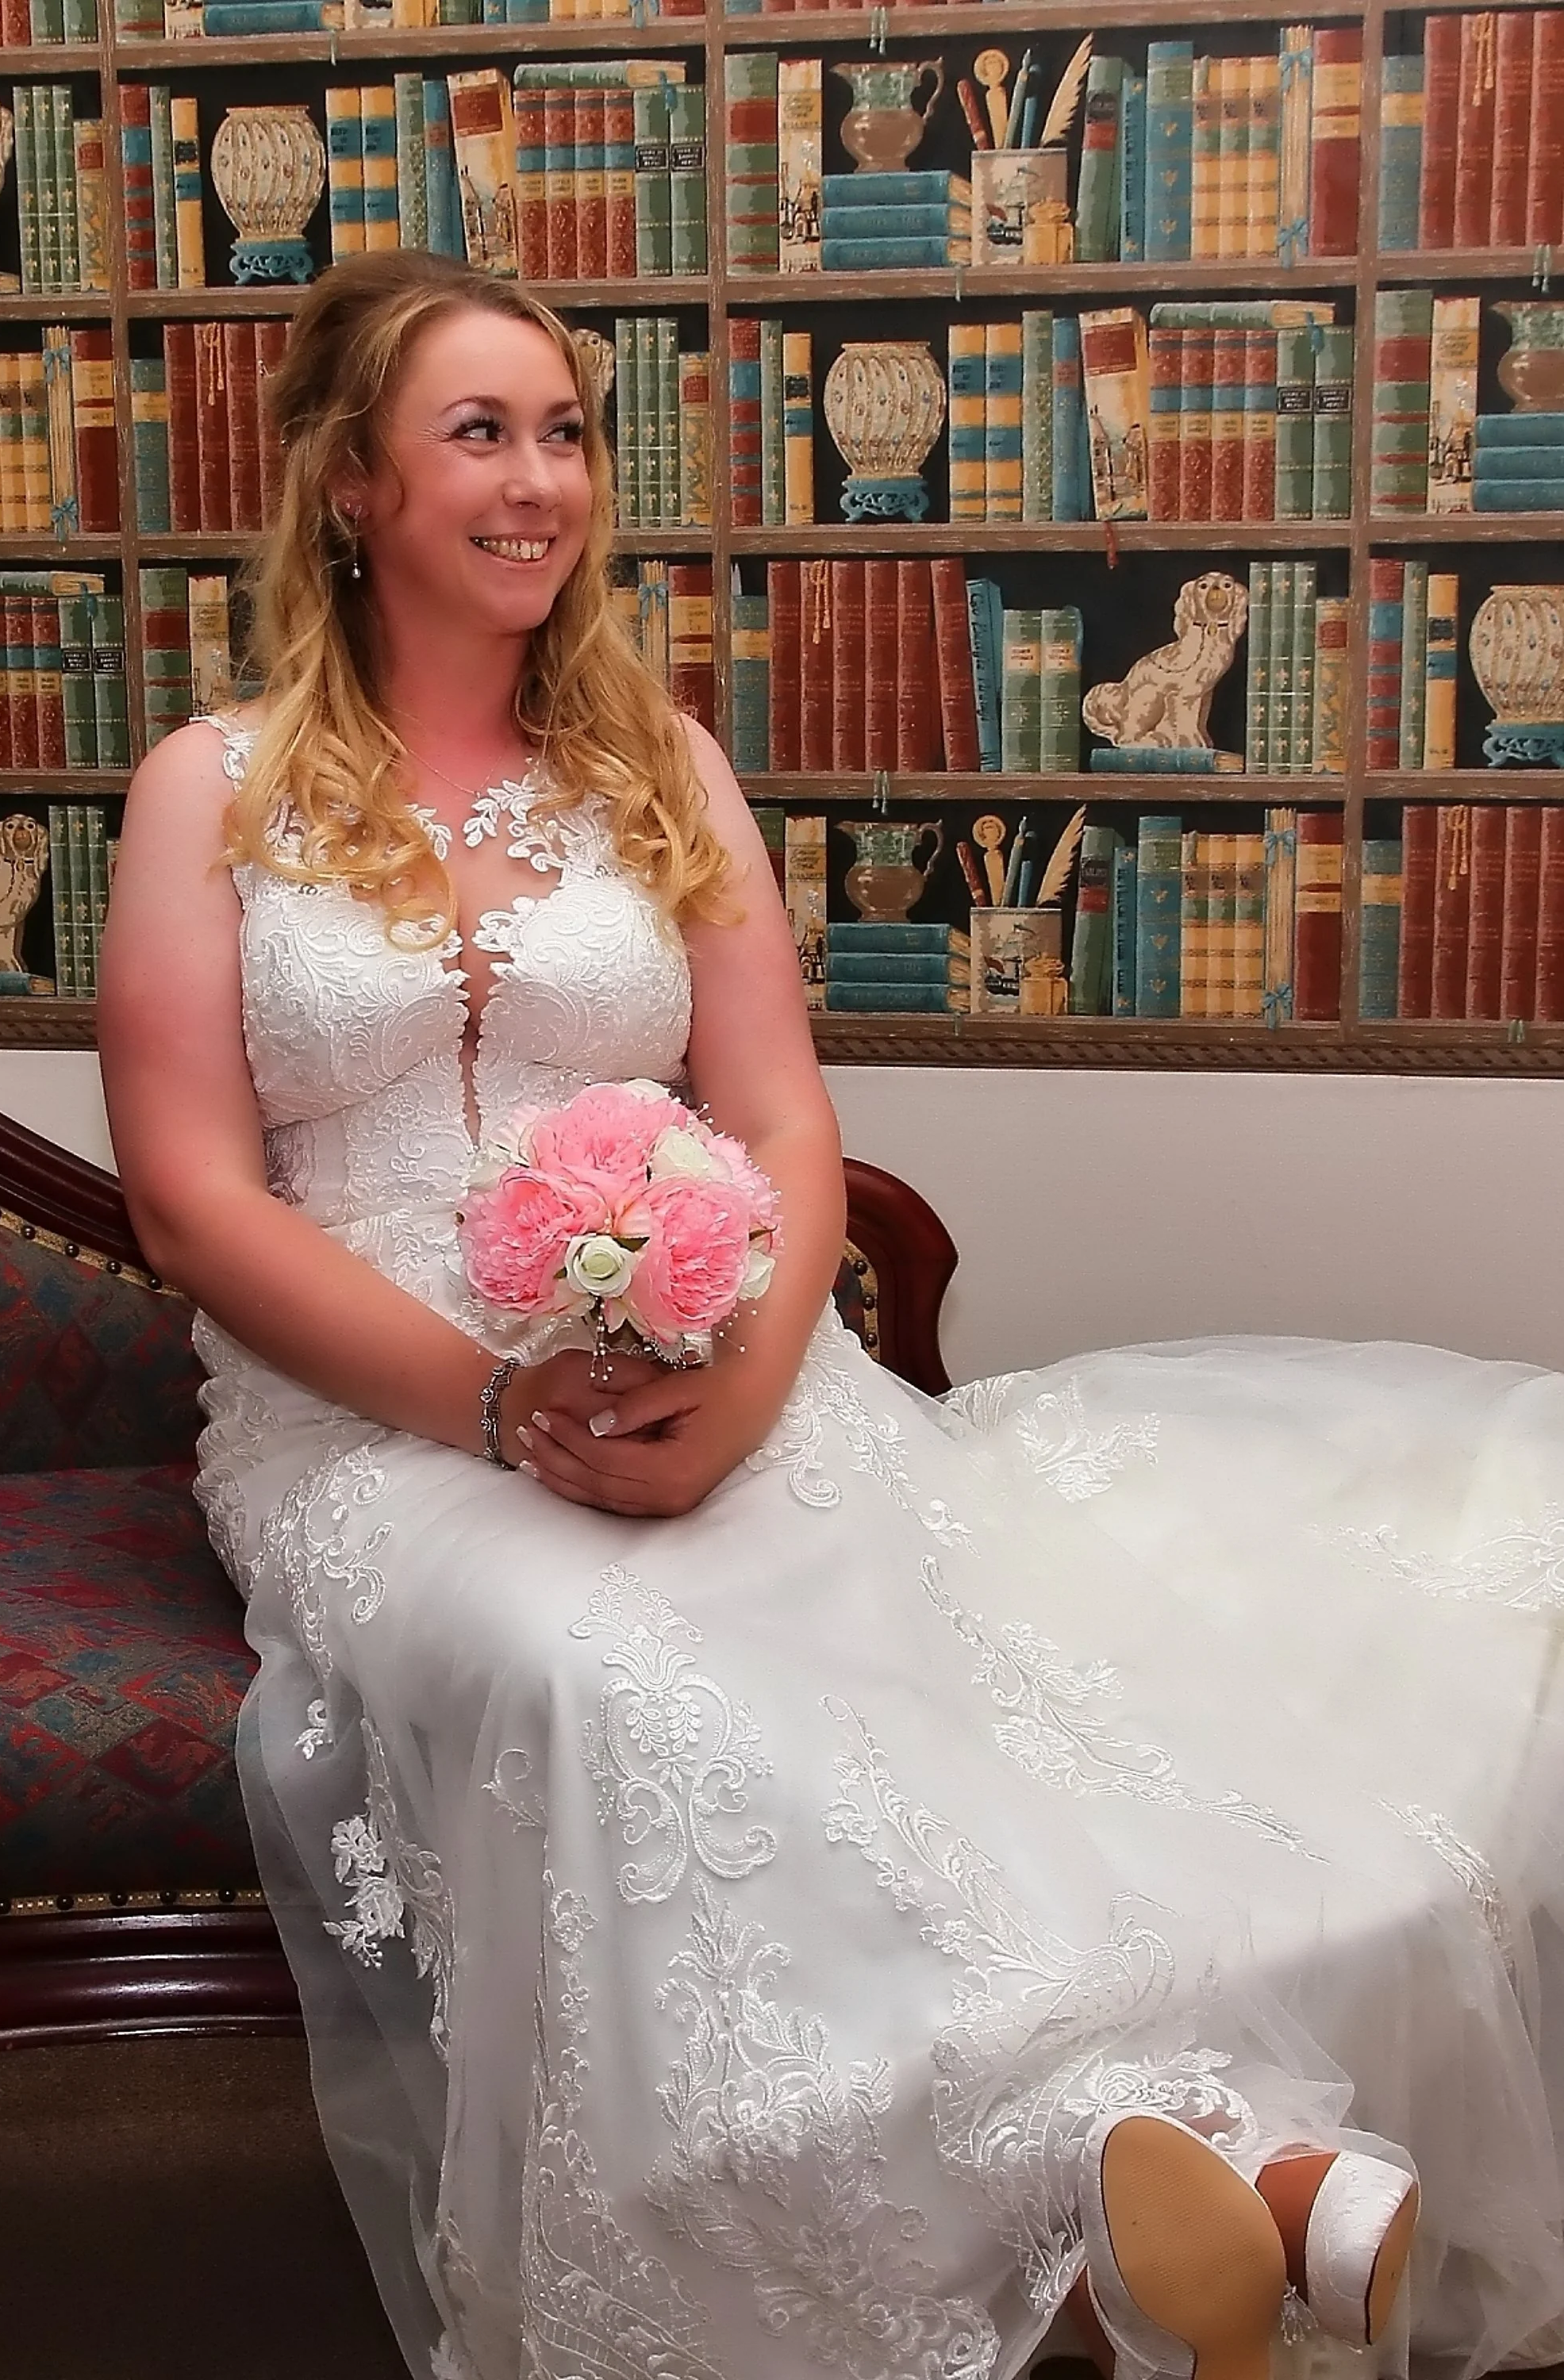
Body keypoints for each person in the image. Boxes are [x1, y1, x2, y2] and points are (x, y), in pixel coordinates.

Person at [99, 251, 1564, 2380]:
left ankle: (1183, 2174)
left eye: (567, 433)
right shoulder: (208, 790)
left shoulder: (657, 764)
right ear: (350, 484)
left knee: (907, 1646)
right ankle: (1165, 2156)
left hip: (705, 1369)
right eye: (479, 434)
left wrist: (762, 1373)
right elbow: (189, 1198)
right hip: (372, 1423)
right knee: (606, 1672)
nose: (539, 483)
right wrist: (498, 1421)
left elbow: (779, 1113)